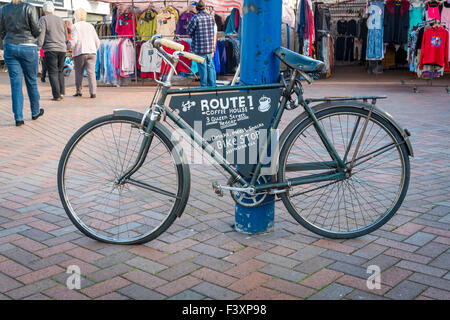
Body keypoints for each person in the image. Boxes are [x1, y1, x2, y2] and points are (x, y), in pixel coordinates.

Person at [0, 0, 44, 126]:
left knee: (16, 84)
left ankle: (18, 118)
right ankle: (35, 112)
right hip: (28, 47)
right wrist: (36, 34)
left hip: (10, 46)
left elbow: (1, 30)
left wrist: (8, 38)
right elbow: (36, 29)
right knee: (31, 81)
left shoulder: (3, 9)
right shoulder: (29, 8)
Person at [38, 1, 68, 101]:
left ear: (44, 10)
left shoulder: (43, 19)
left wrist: (38, 46)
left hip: (50, 49)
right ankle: (62, 93)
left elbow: (41, 35)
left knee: (52, 72)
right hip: (62, 49)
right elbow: (66, 37)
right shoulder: (60, 20)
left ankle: (56, 95)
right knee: (60, 71)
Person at [69, 8, 100, 98]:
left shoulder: (75, 26)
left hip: (80, 51)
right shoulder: (90, 26)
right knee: (91, 73)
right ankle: (93, 92)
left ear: (76, 16)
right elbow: (97, 41)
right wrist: (94, 49)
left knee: (79, 72)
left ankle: (79, 91)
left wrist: (69, 47)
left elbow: (74, 41)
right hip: (92, 52)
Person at [187, 0, 217, 87]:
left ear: (197, 9)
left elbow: (189, 31)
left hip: (200, 47)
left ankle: (203, 86)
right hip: (209, 47)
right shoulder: (211, 17)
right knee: (210, 66)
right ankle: (212, 86)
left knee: (202, 67)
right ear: (204, 8)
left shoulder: (195, 18)